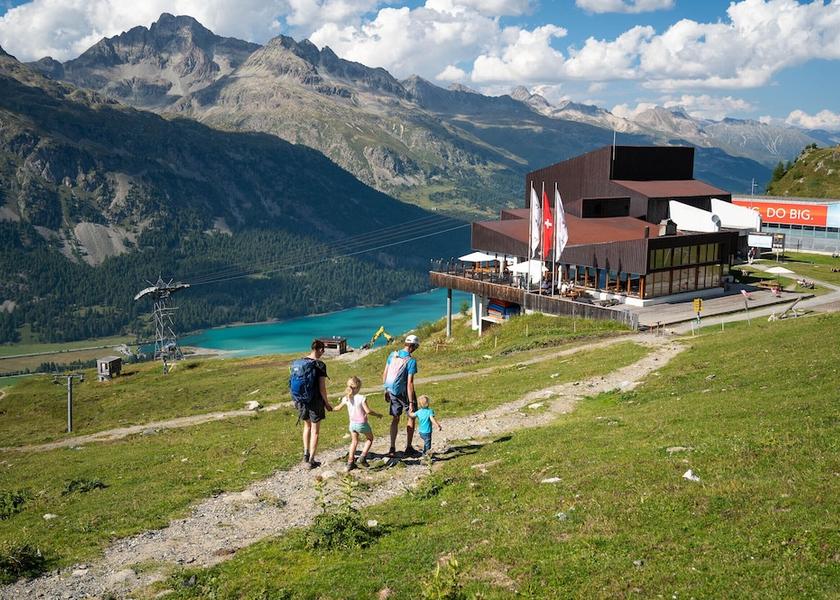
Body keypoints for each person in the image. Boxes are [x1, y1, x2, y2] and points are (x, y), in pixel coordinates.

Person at [289, 339, 332, 470]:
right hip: (315, 401)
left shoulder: (299, 362)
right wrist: (326, 403)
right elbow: (322, 388)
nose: (323, 352)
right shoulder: (319, 365)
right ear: (318, 349)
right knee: (315, 431)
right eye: (323, 349)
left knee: (306, 427)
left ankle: (305, 454)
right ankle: (312, 460)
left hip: (301, 400)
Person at [332, 376, 382, 472]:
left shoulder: (346, 398)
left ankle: (350, 462)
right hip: (362, 424)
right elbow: (367, 411)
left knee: (354, 442)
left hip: (352, 424)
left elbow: (337, 408)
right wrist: (377, 415)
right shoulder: (361, 398)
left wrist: (329, 407)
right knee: (370, 439)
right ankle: (362, 457)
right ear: (358, 388)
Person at [382, 334, 420, 457]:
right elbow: (410, 383)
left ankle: (392, 448)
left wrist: (386, 390)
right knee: (411, 416)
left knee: (395, 418)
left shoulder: (393, 355)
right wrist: (410, 403)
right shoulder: (411, 361)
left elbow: (385, 374)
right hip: (404, 393)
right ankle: (408, 447)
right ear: (413, 346)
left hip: (392, 391)